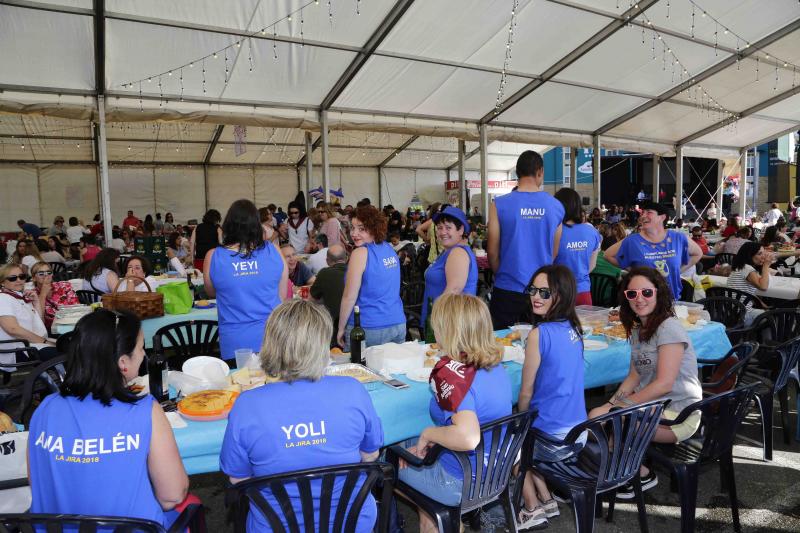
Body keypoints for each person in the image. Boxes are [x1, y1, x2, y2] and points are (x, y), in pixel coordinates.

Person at [221, 299, 382, 532]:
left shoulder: (246, 405)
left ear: (270, 344)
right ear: (321, 345)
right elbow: (371, 455)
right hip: (351, 523)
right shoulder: (352, 389)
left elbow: (239, 480)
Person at [28, 309, 189, 525]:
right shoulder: (145, 410)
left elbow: (37, 481)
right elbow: (172, 496)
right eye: (141, 348)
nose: (143, 354)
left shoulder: (44, 409)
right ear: (123, 362)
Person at [397, 293, 511, 532]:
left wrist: (429, 434)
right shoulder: (495, 365)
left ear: (448, 331)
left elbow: (467, 438)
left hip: (459, 480)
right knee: (408, 445)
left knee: (385, 459)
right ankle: (439, 518)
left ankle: (435, 517)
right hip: (494, 472)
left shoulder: (453, 375)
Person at [588, 267, 702, 499]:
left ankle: (639, 474)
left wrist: (618, 407)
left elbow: (664, 384)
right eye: (632, 294)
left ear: (658, 293)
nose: (639, 299)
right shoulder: (640, 329)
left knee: (613, 421)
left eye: (646, 293)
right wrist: (610, 403)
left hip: (678, 414)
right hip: (654, 406)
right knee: (597, 416)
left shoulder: (668, 328)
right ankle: (621, 469)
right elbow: (634, 377)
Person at [517, 265, 587, 529]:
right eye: (533, 290)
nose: (536, 296)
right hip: (579, 433)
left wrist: (520, 420)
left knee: (512, 440)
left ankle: (532, 507)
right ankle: (547, 498)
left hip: (555, 440)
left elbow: (526, 391)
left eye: (545, 293)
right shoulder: (574, 327)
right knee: (526, 432)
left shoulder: (539, 334)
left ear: (562, 295)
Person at [488, 150, 563, 329]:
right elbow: (554, 251)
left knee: (502, 346)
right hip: (543, 291)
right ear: (540, 172)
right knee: (540, 346)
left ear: (517, 173)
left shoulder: (499, 204)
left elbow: (492, 250)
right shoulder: (556, 206)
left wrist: (503, 272)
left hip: (507, 287)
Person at [204, 199, 287, 360]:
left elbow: (211, 291)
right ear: (257, 225)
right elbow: (281, 296)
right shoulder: (274, 251)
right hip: (273, 337)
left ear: (228, 225)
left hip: (235, 342)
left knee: (239, 383)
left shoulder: (213, 256)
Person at [336, 205, 405, 349]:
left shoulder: (360, 253)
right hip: (397, 323)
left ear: (374, 228)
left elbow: (349, 296)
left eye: (361, 229)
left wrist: (340, 328)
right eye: (353, 228)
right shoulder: (389, 249)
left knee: (358, 371)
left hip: (368, 327)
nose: (354, 234)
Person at [605, 201, 702, 300]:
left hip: (670, 297)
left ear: (662, 217)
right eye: (642, 213)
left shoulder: (678, 238)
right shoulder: (633, 240)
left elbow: (698, 253)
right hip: (642, 299)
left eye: (649, 212)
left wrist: (678, 270)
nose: (643, 216)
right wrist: (633, 270)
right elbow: (608, 255)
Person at [421, 206, 478, 325]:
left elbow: (453, 290)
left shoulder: (458, 252)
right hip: (444, 320)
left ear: (461, 229)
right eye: (440, 228)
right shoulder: (449, 251)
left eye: (448, 228)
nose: (442, 232)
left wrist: (436, 322)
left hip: (450, 324)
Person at [0, 264, 58, 363]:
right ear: (2, 282)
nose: (19, 280)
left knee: (72, 346)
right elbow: (13, 329)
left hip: (30, 344)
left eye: (22, 277)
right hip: (18, 349)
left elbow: (39, 323)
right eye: (12, 278)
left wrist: (35, 302)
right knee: (69, 352)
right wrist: (44, 341)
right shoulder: (3, 298)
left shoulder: (18, 296)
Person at [553, 188, 601, 306]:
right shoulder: (592, 232)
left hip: (558, 292)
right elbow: (592, 265)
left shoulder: (554, 232)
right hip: (583, 292)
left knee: (556, 325)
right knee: (583, 325)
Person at [728, 242, 775, 325]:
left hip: (732, 312)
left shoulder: (740, 267)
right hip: (743, 315)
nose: (763, 256)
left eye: (763, 253)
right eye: (759, 254)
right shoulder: (747, 268)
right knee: (774, 317)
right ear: (749, 255)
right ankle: (771, 338)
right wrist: (766, 266)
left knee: (769, 312)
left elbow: (747, 293)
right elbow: (763, 287)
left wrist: (763, 305)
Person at [310, 244, 348, 340]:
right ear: (346, 258)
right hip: (356, 323)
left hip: (333, 327)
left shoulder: (324, 273)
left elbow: (312, 299)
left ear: (327, 261)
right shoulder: (356, 271)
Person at [30, 261, 78, 332]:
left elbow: (76, 308)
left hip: (73, 323)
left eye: (49, 273)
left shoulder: (64, 286)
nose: (46, 276)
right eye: (41, 273)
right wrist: (43, 294)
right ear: (34, 278)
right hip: (53, 330)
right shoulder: (32, 295)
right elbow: (39, 320)